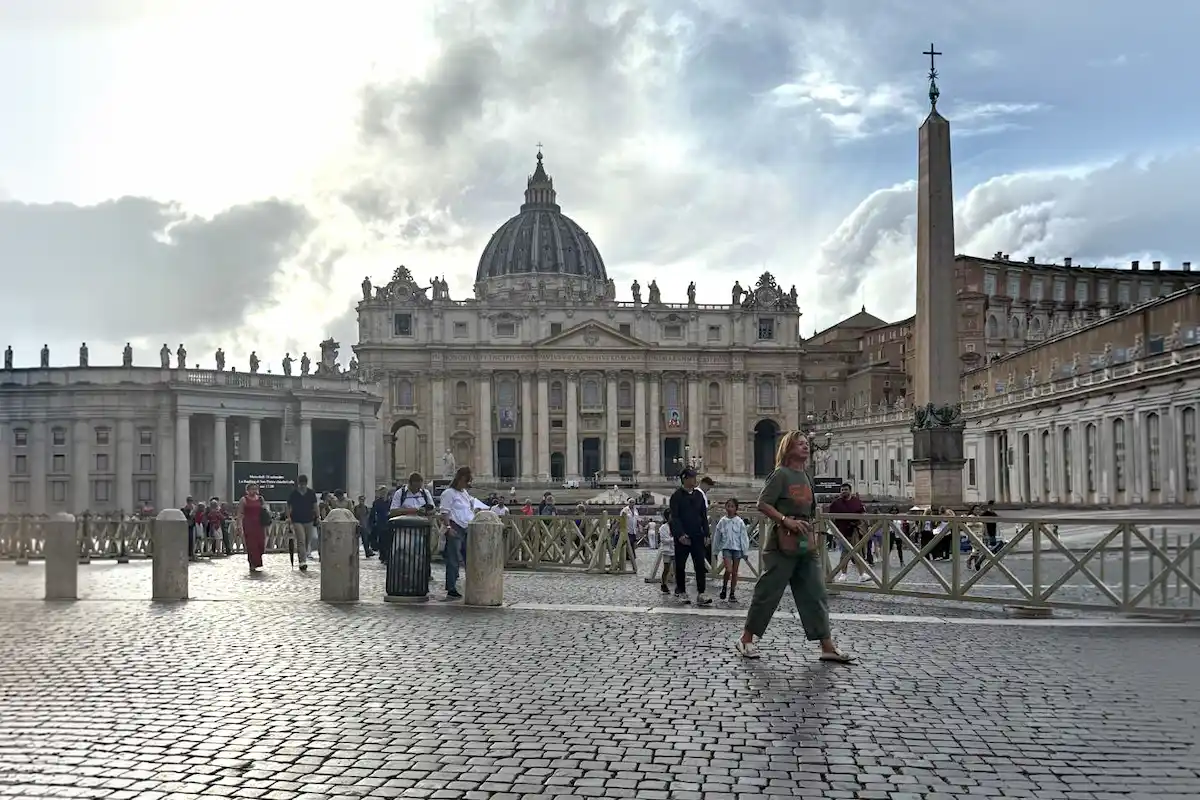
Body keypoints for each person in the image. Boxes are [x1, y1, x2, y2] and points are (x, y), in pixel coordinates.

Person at [735, 430, 854, 663]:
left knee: (816, 592)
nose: (806, 447)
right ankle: (746, 638)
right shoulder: (781, 475)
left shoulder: (807, 476)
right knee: (769, 591)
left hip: (805, 541)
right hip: (782, 542)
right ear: (788, 449)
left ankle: (826, 645)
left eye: (806, 444)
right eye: (799, 444)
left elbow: (810, 511)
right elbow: (763, 503)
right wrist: (785, 520)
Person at [437, 466, 487, 599]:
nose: (467, 484)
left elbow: (469, 507)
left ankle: (472, 583)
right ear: (460, 479)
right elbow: (444, 512)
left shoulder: (464, 493)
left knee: (469, 558)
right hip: (455, 527)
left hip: (467, 528)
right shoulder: (449, 493)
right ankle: (451, 587)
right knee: (453, 559)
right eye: (466, 481)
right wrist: (448, 528)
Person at [668, 468, 712, 606]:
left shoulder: (699, 495)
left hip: (697, 535)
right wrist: (680, 534)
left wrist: (706, 533)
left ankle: (701, 592)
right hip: (683, 537)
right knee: (680, 565)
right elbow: (674, 517)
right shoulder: (676, 496)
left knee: (699, 564)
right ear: (685, 479)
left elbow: (703, 516)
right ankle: (681, 591)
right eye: (692, 477)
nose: (695, 480)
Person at [387, 472, 435, 563]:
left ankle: (423, 574)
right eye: (416, 487)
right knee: (403, 554)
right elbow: (393, 511)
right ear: (410, 484)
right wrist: (414, 511)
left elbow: (433, 509)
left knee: (421, 555)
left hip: (421, 530)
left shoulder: (425, 493)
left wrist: (426, 511)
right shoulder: (400, 493)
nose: (418, 489)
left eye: (419, 487)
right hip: (403, 531)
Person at [828, 482, 870, 582]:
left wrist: (863, 525)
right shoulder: (836, 503)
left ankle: (861, 574)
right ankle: (843, 573)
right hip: (842, 531)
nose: (844, 492)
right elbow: (830, 517)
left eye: (846, 490)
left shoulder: (856, 501)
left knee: (857, 552)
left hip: (854, 530)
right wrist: (833, 530)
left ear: (850, 491)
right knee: (844, 553)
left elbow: (863, 514)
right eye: (842, 490)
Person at [713, 498, 749, 602]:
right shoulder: (722, 521)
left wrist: (745, 551)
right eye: (728, 506)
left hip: (737, 549)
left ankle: (732, 593)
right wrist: (715, 551)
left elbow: (744, 537)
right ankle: (724, 587)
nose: (730, 508)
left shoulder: (740, 522)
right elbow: (717, 536)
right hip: (726, 548)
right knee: (728, 570)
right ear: (725, 507)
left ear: (736, 508)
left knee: (735, 572)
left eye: (732, 506)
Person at [287, 475, 319, 573]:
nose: (302, 485)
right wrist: (289, 518)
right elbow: (289, 506)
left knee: (307, 540)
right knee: (301, 540)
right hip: (297, 519)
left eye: (304, 483)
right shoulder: (294, 493)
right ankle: (302, 561)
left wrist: (317, 517)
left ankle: (302, 555)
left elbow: (315, 505)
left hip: (309, 519)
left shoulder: (311, 493)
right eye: (301, 483)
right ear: (298, 483)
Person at [237, 482, 268, 574]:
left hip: (259, 524)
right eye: (252, 489)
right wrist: (239, 525)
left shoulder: (260, 499)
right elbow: (240, 513)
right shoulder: (244, 499)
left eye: (255, 489)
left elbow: (265, 510)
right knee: (251, 545)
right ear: (248, 490)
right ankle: (252, 564)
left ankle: (257, 560)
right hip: (248, 524)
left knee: (260, 544)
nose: (254, 491)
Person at [657, 508, 675, 594]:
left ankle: (679, 586)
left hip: (675, 550)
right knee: (666, 568)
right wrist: (674, 539)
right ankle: (663, 584)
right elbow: (664, 540)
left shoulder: (676, 525)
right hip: (667, 551)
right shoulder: (663, 528)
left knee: (677, 569)